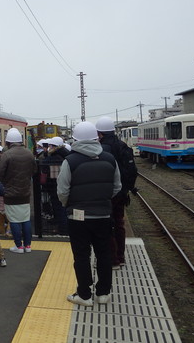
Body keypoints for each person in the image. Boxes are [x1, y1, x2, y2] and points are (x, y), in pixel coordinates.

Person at [57, 121, 121, 306]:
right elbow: (117, 187)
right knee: (104, 253)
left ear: (75, 139)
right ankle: (103, 294)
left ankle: (84, 295)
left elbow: (62, 190)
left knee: (82, 255)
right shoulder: (110, 159)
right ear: (96, 137)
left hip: (78, 217)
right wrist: (103, 200)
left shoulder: (70, 161)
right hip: (103, 215)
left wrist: (68, 205)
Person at [95, 116, 138, 269]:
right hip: (121, 193)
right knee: (119, 224)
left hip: (106, 193)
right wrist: (127, 188)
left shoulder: (100, 149)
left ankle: (112, 259)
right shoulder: (123, 146)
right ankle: (121, 257)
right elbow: (133, 171)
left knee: (106, 225)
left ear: (100, 133)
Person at [0, 128, 36, 254]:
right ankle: (28, 246)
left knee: (14, 220)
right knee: (25, 219)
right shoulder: (29, 153)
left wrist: (6, 183)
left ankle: (19, 246)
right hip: (25, 192)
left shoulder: (7, 155)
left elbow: (0, 173)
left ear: (8, 142)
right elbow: (34, 170)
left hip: (10, 193)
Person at [40, 136, 70, 233]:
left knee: (59, 208)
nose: (49, 148)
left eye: (50, 146)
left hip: (53, 187)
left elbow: (44, 167)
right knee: (64, 208)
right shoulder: (67, 155)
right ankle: (63, 226)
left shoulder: (52, 158)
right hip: (67, 185)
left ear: (54, 146)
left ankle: (63, 229)